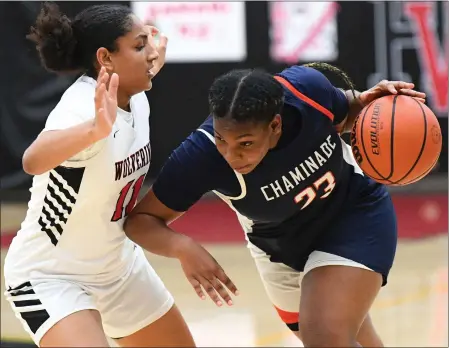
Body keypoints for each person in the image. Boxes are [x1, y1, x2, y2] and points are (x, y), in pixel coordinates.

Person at [124, 63, 426, 347]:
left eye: (245, 143)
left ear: (275, 125)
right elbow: (141, 220)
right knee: (339, 336)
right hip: (280, 252)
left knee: (325, 336)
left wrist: (371, 104)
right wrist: (183, 248)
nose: (231, 155)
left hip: (352, 215)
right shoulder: (201, 157)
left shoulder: (306, 90)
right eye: (221, 139)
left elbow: (345, 111)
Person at [3, 3, 195, 347]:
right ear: (105, 58)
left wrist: (150, 55)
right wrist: (94, 129)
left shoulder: (132, 92)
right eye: (139, 46)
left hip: (118, 269)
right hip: (51, 276)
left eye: (147, 42)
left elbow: (146, 65)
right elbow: (32, 160)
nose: (150, 53)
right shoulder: (81, 108)